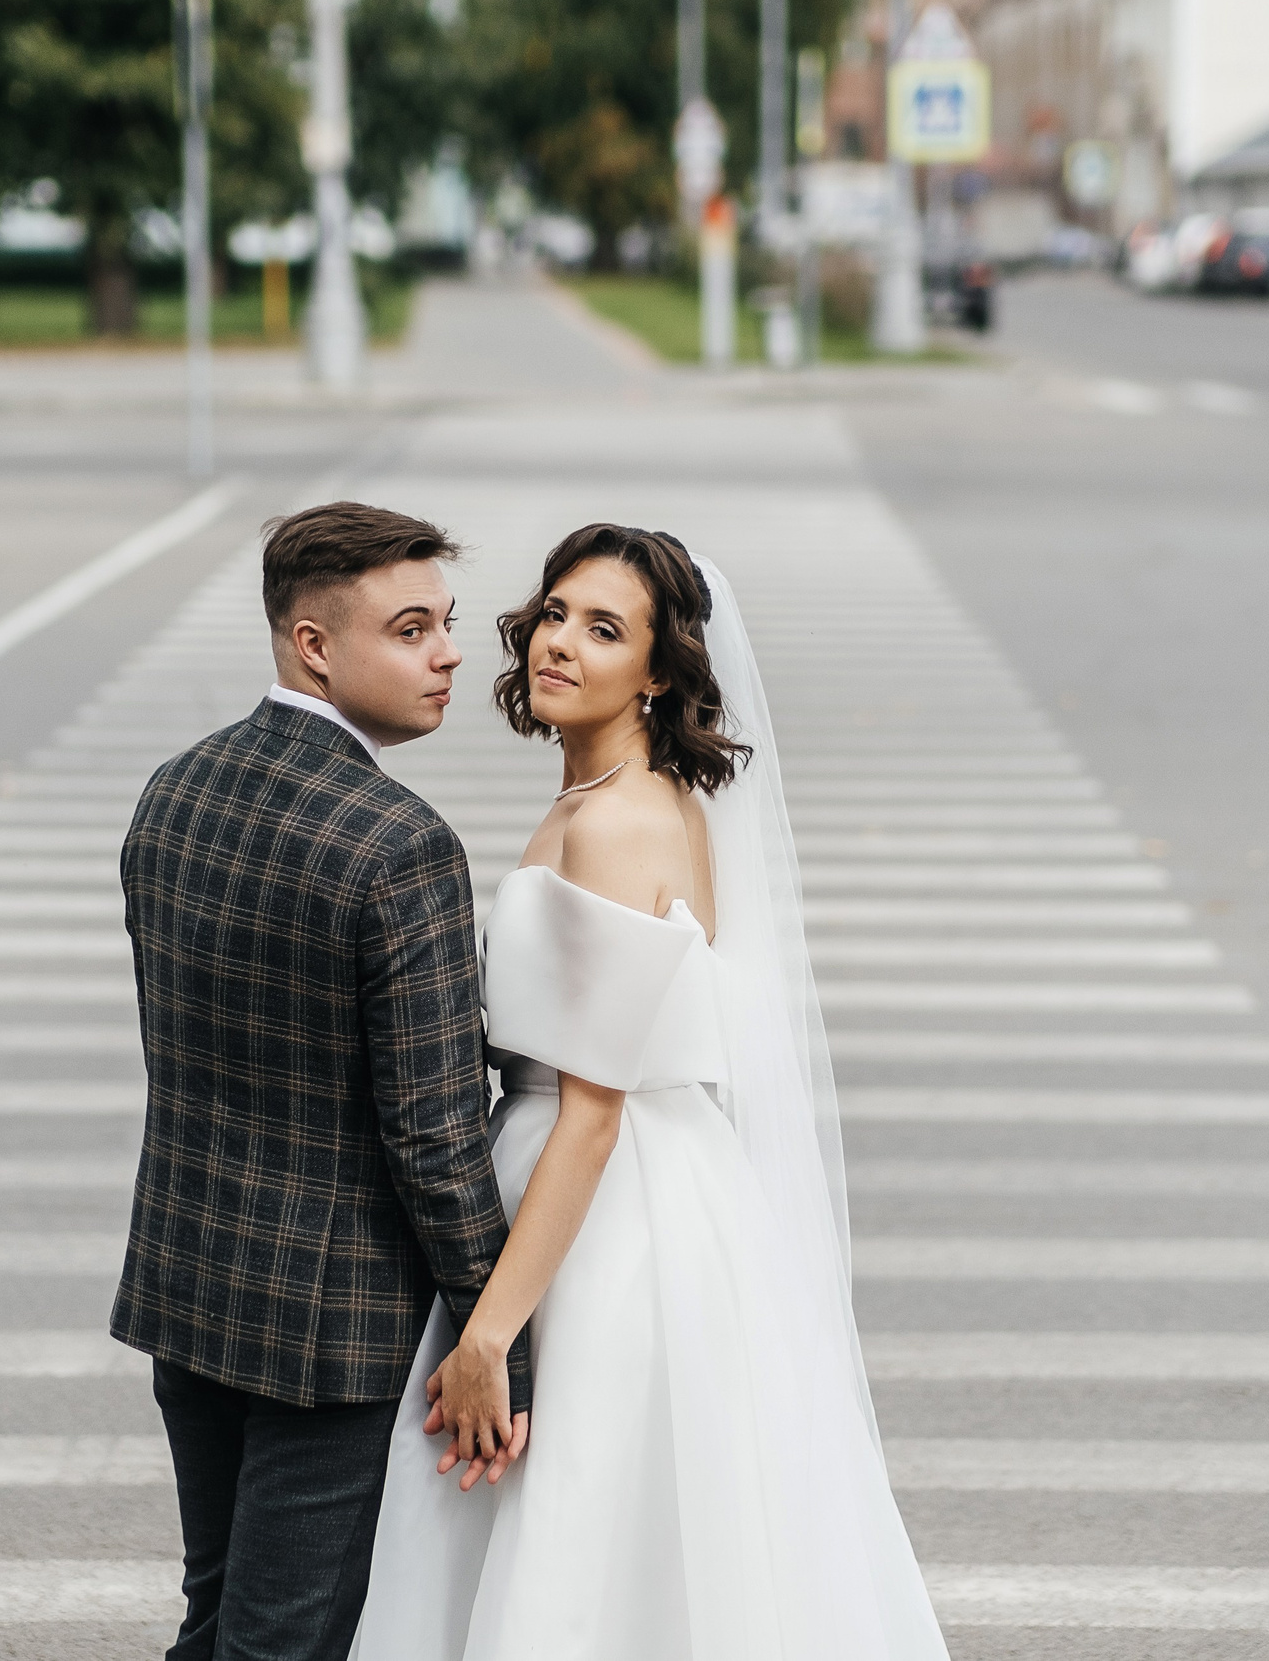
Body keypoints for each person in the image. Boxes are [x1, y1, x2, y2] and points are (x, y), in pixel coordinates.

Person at [350, 527, 949, 1660]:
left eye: (605, 628)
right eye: (557, 613)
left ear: (660, 672)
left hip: (607, 1219)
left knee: (583, 1529)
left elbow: (593, 1111)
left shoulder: (621, 822)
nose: (559, 642)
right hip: (621, 1189)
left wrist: (488, 1335)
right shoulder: (611, 799)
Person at [112, 501, 532, 1661]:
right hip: (326, 1332)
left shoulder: (175, 788)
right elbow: (435, 1139)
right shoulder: (400, 844)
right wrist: (501, 1343)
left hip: (185, 1289)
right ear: (313, 644)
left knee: (218, 1614)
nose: (449, 652)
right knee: (283, 1643)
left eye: (445, 624)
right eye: (410, 630)